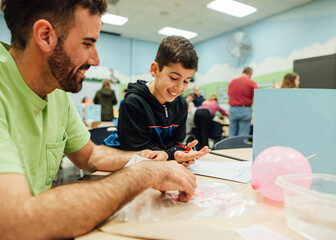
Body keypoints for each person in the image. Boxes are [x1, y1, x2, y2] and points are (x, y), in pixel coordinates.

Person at [0, 1, 205, 238]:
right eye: (87, 43)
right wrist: (146, 174)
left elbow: (89, 155)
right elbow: (14, 223)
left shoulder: (55, 90)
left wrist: (141, 159)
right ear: (45, 36)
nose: (96, 59)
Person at [118, 35, 210, 164]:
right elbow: (137, 152)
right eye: (173, 77)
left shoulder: (181, 104)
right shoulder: (134, 102)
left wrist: (180, 152)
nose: (179, 87)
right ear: (154, 70)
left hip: (163, 170)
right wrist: (172, 155)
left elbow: (174, 144)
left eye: (186, 81)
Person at [227, 67, 258, 137]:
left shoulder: (232, 82)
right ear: (250, 74)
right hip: (245, 110)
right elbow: (256, 97)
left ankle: (230, 147)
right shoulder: (251, 83)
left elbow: (229, 94)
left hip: (232, 109)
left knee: (231, 134)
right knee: (242, 136)